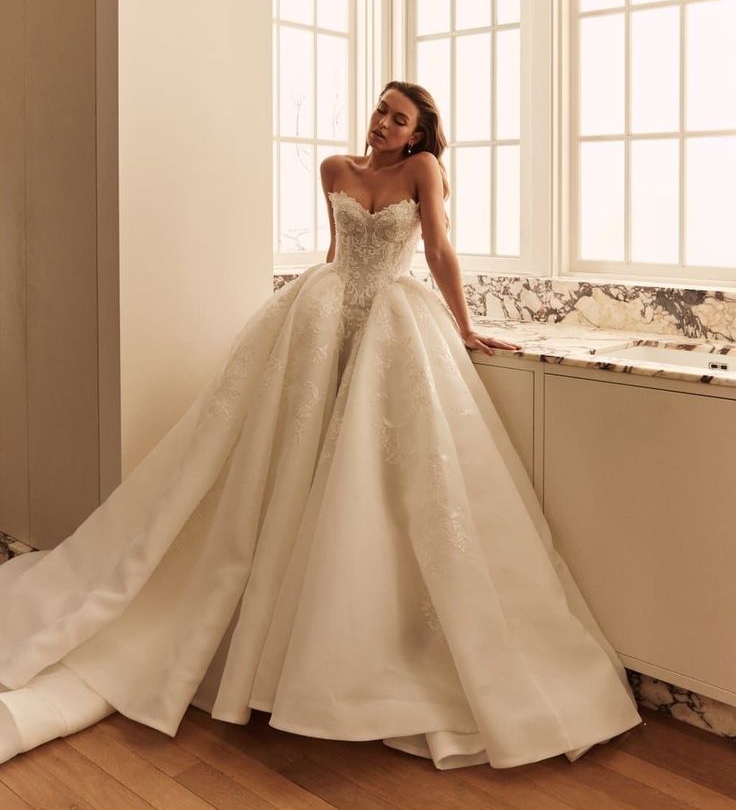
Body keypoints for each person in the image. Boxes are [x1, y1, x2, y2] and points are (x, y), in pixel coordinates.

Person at [0, 81, 642, 771]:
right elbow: (338, 252)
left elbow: (438, 252)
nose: (384, 122)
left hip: (393, 325)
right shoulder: (336, 169)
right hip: (322, 317)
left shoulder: (423, 172)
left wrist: (465, 326)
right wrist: (312, 322)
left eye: (400, 118)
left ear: (419, 135)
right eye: (382, 110)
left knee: (376, 472)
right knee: (283, 461)